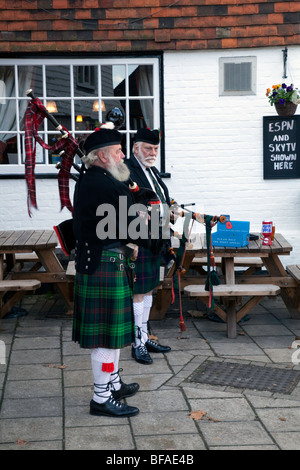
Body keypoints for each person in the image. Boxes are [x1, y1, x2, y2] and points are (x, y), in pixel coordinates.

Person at [72, 123, 151, 418]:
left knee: (115, 335)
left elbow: (128, 202)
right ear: (103, 156)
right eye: (118, 151)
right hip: (103, 262)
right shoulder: (99, 183)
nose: (122, 156)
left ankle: (112, 382)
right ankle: (101, 396)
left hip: (109, 259)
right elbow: (129, 221)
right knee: (107, 336)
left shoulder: (102, 178)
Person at [125, 128, 172, 365]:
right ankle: (137, 343)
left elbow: (162, 200)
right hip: (139, 240)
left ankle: (145, 336)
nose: (153, 153)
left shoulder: (151, 171)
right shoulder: (127, 170)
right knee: (138, 293)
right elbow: (124, 205)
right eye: (148, 148)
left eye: (155, 149)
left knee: (149, 289)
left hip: (156, 240)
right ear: (136, 148)